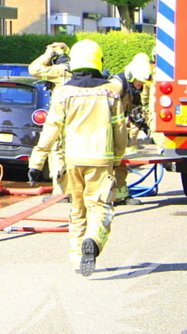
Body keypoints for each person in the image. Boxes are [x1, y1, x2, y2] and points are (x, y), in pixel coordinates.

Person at [28, 39, 125, 276]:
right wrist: (119, 158)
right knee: (100, 207)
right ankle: (93, 240)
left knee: (77, 209)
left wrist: (36, 162)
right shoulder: (111, 93)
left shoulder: (63, 92)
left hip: (72, 160)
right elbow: (119, 129)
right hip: (101, 160)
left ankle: (76, 257)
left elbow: (51, 128)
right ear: (98, 61)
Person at [108, 52, 153, 205]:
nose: (140, 86)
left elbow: (135, 112)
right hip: (105, 131)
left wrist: (142, 125)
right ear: (130, 76)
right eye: (139, 82)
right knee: (106, 165)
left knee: (120, 163)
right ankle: (104, 196)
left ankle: (121, 194)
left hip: (118, 130)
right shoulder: (116, 86)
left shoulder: (133, 90)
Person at [28, 42, 71, 198]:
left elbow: (34, 68)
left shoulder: (60, 72)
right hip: (78, 121)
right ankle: (71, 189)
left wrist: (47, 53)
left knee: (56, 151)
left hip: (60, 118)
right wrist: (66, 49)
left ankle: (61, 191)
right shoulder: (79, 71)